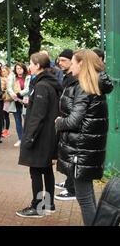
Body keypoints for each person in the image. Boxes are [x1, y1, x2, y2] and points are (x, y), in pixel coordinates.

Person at [56, 49, 113, 226]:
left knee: (85, 198)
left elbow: (73, 120)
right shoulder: (93, 85)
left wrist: (59, 122)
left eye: (73, 62)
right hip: (86, 149)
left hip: (80, 150)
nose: (70, 66)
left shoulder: (84, 87)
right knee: (87, 196)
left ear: (81, 64)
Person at [15, 53, 62, 218]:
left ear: (38, 65)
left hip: (40, 136)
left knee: (35, 170)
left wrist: (28, 137)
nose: (29, 66)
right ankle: (48, 205)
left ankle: (38, 206)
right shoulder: (49, 83)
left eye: (31, 63)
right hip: (48, 134)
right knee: (46, 169)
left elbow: (38, 115)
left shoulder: (42, 85)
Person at [54, 49, 77, 201]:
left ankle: (72, 188)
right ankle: (69, 183)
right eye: (59, 60)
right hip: (66, 121)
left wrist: (63, 120)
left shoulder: (75, 80)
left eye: (64, 60)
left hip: (70, 123)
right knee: (67, 154)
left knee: (72, 155)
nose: (60, 63)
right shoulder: (67, 77)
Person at [6, 62, 31, 147]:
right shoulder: (12, 77)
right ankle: (20, 139)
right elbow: (9, 88)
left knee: (27, 120)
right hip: (15, 101)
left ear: (24, 69)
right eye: (17, 68)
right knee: (17, 121)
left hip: (25, 101)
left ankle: (27, 139)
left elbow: (28, 89)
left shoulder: (28, 77)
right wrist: (13, 95)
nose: (18, 70)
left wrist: (19, 94)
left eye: (20, 68)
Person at [0, 65, 11, 139]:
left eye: (4, 71)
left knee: (6, 115)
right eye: (2, 71)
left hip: (6, 99)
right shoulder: (0, 78)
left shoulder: (9, 79)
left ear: (7, 71)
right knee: (1, 115)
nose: (3, 72)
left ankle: (6, 130)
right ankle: (1, 129)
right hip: (1, 99)